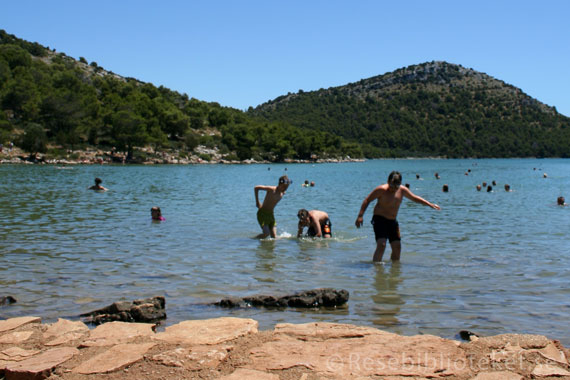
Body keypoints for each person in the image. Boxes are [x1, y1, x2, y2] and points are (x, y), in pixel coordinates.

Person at [355, 171, 440, 262]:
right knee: (382, 245)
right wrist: (360, 216)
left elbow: (414, 198)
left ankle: (394, 272)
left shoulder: (402, 190)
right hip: (379, 219)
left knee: (397, 247)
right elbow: (367, 200)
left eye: (396, 187)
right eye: (391, 186)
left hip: (392, 221)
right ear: (388, 181)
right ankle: (377, 269)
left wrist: (429, 204)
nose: (393, 189)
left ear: (400, 184)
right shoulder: (381, 189)